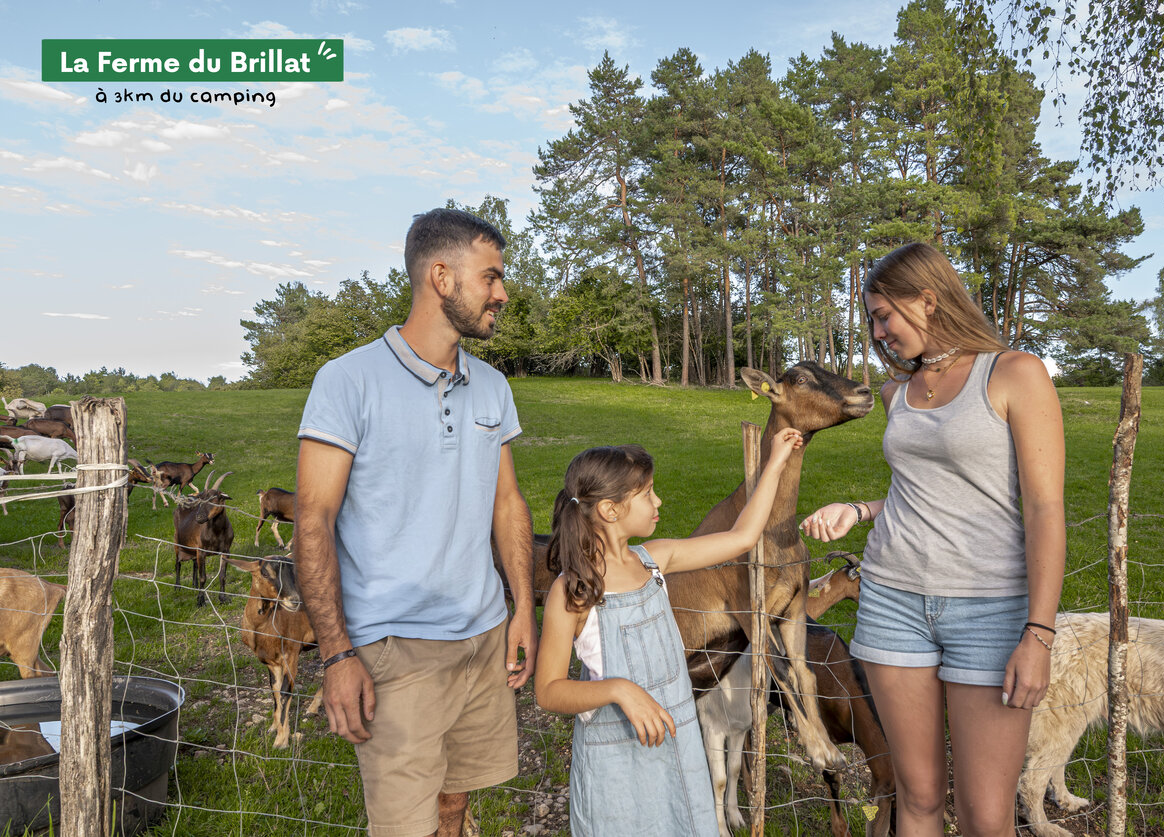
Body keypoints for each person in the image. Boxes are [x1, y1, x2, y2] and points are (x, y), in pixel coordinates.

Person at [801, 241, 1065, 837]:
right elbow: (926, 489)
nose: (876, 331)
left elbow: (1045, 509)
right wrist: (859, 507)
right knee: (915, 799)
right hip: (892, 600)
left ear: (928, 298)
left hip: (989, 611)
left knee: (985, 816)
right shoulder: (900, 393)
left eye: (882, 314)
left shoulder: (1015, 373)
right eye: (870, 318)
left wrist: (1040, 633)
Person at [294, 208, 538, 837]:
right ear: (440, 277)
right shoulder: (346, 381)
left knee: (455, 807)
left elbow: (508, 503)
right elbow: (313, 520)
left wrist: (522, 609)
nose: (502, 293)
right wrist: (337, 653)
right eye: (490, 277)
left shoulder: (492, 387)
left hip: (483, 640)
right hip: (393, 650)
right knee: (404, 825)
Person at [534, 426, 805, 836]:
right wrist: (619, 689)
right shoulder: (572, 592)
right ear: (610, 510)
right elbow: (549, 689)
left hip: (678, 753)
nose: (658, 501)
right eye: (646, 494)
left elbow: (742, 536)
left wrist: (776, 463)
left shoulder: (655, 560)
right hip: (615, 768)